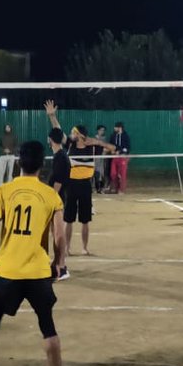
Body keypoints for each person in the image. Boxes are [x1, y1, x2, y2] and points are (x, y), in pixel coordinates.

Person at [0, 140, 67, 366]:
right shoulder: (51, 195)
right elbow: (60, 236)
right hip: (37, 271)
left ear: (19, 162)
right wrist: (59, 263)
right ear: (42, 165)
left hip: (6, 270)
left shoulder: (4, 191)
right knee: (48, 327)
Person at [46, 101, 115, 258]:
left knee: (85, 220)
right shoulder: (70, 145)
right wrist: (52, 116)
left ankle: (84, 248)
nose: (71, 134)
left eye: (73, 132)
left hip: (85, 186)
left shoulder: (93, 147)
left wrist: (96, 141)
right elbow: (58, 131)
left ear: (80, 135)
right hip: (71, 186)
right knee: (68, 219)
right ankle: (68, 248)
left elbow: (113, 149)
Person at [46, 128, 71, 282]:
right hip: (57, 199)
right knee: (55, 233)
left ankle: (61, 267)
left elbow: (58, 182)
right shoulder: (60, 155)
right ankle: (58, 264)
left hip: (58, 200)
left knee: (57, 234)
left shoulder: (60, 157)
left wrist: (50, 200)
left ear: (50, 140)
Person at [107, 122, 131, 194]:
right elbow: (110, 145)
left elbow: (127, 148)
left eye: (115, 127)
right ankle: (116, 188)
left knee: (122, 174)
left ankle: (121, 190)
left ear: (120, 128)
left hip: (123, 157)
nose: (114, 128)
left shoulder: (126, 136)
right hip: (114, 157)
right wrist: (111, 150)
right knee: (113, 173)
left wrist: (120, 152)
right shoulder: (113, 136)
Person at [93, 125, 109, 193]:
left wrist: (105, 152)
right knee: (96, 173)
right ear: (98, 130)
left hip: (103, 158)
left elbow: (107, 148)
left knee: (102, 173)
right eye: (101, 130)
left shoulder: (105, 139)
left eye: (103, 130)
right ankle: (97, 188)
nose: (102, 131)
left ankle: (102, 188)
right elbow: (93, 148)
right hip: (96, 158)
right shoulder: (94, 138)